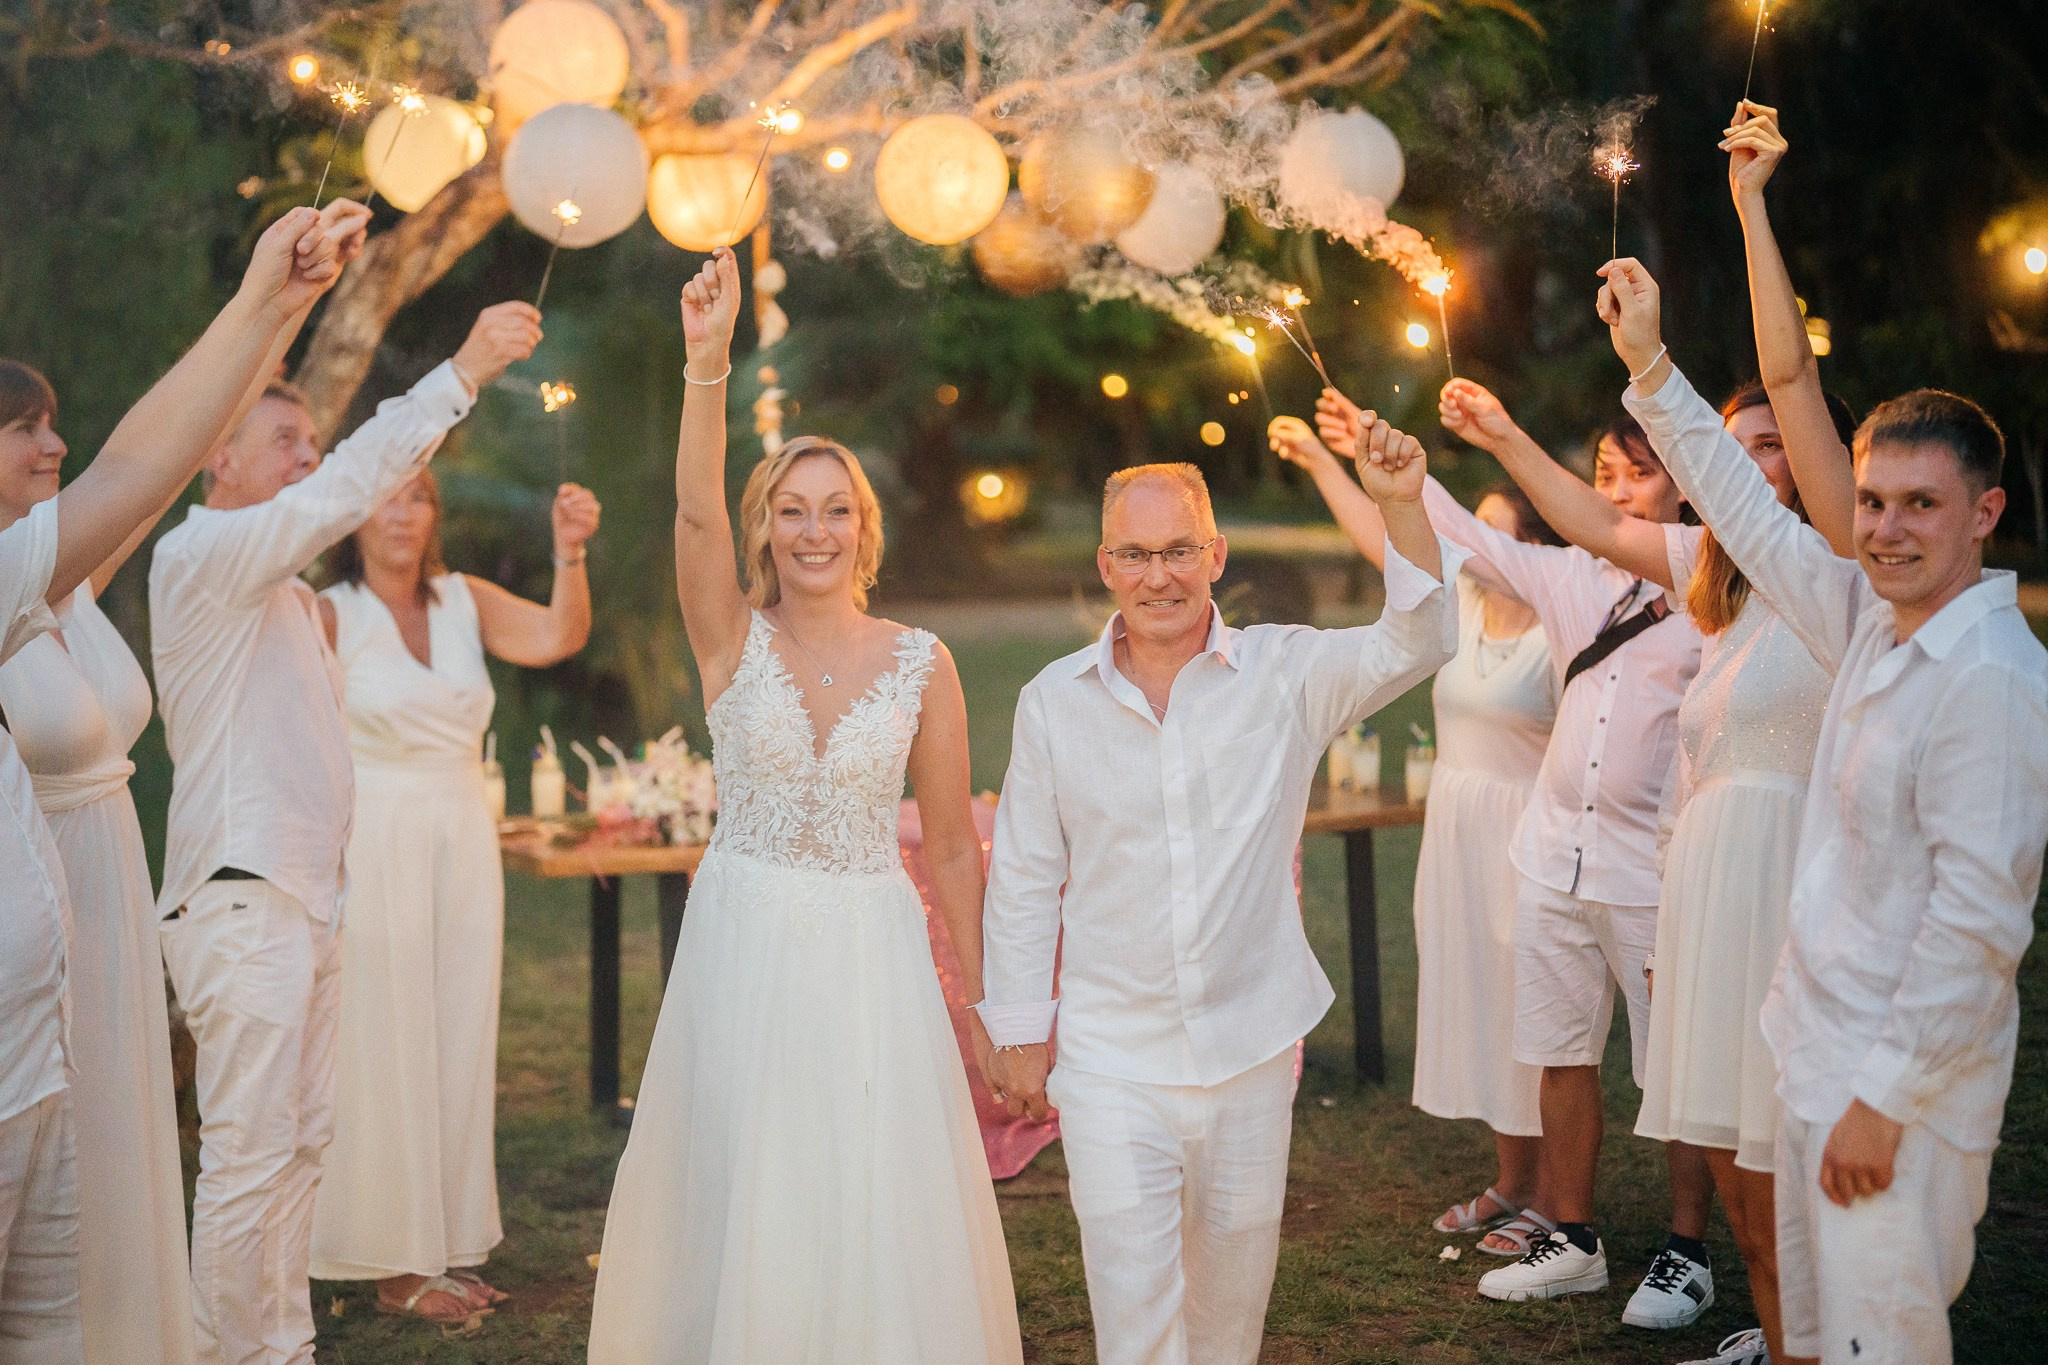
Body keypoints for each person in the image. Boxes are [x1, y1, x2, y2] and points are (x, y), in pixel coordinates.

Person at [1604, 254, 2048, 1365]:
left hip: (1891, 1094)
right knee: (1803, 1333)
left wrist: (1880, 1101)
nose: (1887, 529)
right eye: (1871, 503)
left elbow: (1977, 925)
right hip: (1806, 1056)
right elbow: (1744, 513)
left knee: (1878, 1340)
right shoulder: (1861, 615)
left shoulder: (1991, 678)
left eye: (1919, 506)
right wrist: (1649, 365)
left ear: (1983, 511)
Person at [587, 247, 1021, 1364]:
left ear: (863, 527)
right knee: (746, 1168)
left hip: (869, 946)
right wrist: (705, 365)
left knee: (863, 1175)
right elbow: (688, 521)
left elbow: (959, 859)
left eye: (834, 511)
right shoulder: (731, 638)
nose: (814, 531)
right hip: (745, 936)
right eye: (791, 511)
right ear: (764, 527)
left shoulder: (923, 663)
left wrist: (983, 1007)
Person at [980, 419, 1462, 1365]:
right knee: (1132, 1300)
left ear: (1215, 554)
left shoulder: (1287, 673)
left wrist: (1400, 506)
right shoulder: (1052, 700)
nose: (1159, 576)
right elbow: (1027, 875)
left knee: (1231, 1306)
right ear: (1106, 564)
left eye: (1178, 551)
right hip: (1112, 1055)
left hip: (1249, 1042)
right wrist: (1018, 1026)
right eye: (1135, 553)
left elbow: (1421, 636)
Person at [150, 293, 541, 1364]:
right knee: (244, 1156)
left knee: (298, 1149)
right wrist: (460, 372)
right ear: (214, 462)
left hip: (305, 903)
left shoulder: (277, 592)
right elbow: (358, 483)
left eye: (312, 442)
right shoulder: (205, 561)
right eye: (287, 442)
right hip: (241, 898)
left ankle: (281, 1346)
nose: (309, 459)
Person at [0, 203, 351, 1364]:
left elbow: (140, 472)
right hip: (36, 937)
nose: (53, 449)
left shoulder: (56, 585)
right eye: (24, 431)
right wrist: (260, 304)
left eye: (53, 429)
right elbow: (136, 470)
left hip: (91, 923)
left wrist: (276, 312)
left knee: (94, 1235)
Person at [1317, 393, 1717, 1328]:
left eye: (1637, 474)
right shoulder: (1573, 578)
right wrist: (1409, 485)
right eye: (1604, 475)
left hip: (1652, 868)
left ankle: (1688, 1246)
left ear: (1687, 487)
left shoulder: (1716, 593)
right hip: (1550, 858)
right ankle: (1571, 1238)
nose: (1614, 490)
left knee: (1677, 1069)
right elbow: (1472, 542)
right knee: (1557, 1050)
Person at [307, 471, 600, 1320]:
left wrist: (569, 552)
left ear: (437, 512)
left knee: (455, 1030)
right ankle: (389, 1262)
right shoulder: (330, 612)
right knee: (385, 1036)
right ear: (353, 512)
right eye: (385, 496)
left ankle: (436, 1244)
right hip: (375, 837)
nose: (402, 513)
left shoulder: (462, 598)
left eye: (421, 496)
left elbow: (557, 634)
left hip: (460, 830)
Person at [1269, 415, 1558, 1243]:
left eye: (1493, 538)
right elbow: (1380, 538)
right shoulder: (1459, 604)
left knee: (1536, 1015)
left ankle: (1555, 1201)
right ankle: (1512, 1178)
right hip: (1457, 824)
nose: (1472, 550)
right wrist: (1326, 462)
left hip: (1528, 827)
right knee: (1478, 1000)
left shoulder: (1567, 623)